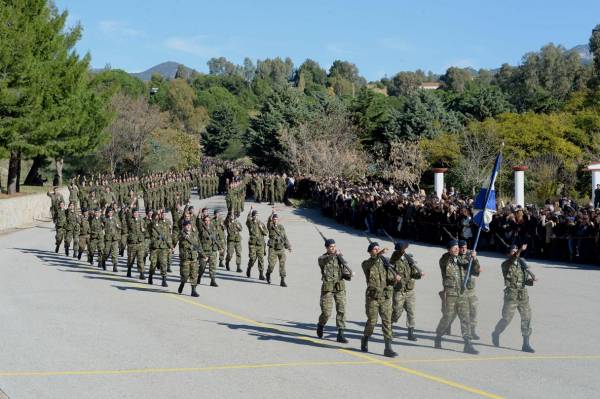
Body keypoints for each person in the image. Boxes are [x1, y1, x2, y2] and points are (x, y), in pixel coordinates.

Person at [434, 240, 478, 354]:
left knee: (465, 318)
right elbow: (445, 259)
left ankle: (468, 344)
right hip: (451, 294)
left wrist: (474, 258)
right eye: (454, 248)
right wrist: (452, 253)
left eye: (457, 248)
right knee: (448, 317)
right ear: (449, 249)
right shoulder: (445, 260)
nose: (457, 249)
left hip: (462, 293)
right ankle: (438, 336)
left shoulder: (463, 260)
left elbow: (476, 270)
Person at [492, 244, 535, 353]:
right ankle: (496, 333)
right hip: (511, 295)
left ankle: (526, 344)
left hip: (522, 295)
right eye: (513, 251)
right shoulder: (506, 264)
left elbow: (523, 280)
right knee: (506, 318)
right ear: (508, 254)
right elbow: (514, 257)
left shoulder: (522, 264)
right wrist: (520, 249)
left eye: (516, 250)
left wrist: (531, 281)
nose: (515, 252)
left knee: (527, 318)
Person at [360, 241, 400, 357]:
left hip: (385, 297)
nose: (377, 250)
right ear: (370, 252)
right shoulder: (367, 263)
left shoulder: (386, 263)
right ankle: (365, 338)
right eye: (375, 249)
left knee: (387, 321)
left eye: (378, 249)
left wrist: (395, 279)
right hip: (373, 297)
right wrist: (380, 254)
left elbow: (390, 279)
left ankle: (388, 348)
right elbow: (372, 261)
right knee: (372, 322)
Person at [316, 239, 349, 343]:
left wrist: (348, 274)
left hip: (339, 287)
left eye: (334, 246)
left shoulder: (340, 258)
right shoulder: (322, 258)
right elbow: (325, 260)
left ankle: (341, 333)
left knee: (341, 310)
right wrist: (335, 255)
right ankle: (321, 324)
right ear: (326, 248)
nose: (333, 248)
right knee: (326, 312)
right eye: (331, 247)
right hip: (328, 288)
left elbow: (344, 271)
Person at [390, 240, 423, 341]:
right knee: (396, 312)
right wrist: (395, 277)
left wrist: (419, 274)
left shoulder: (408, 259)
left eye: (405, 248)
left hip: (409, 290)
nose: (404, 250)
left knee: (411, 311)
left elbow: (413, 273)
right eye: (402, 249)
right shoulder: (394, 259)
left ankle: (410, 332)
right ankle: (389, 326)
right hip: (399, 290)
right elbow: (389, 272)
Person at [447, 240, 481, 339]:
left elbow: (476, 272)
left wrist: (475, 259)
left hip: (469, 289)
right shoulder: (454, 257)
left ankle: (472, 331)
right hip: (458, 289)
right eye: (462, 247)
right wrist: (470, 258)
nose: (464, 249)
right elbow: (460, 263)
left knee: (473, 310)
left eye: (465, 247)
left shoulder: (470, 257)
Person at [266, 212, 292, 286]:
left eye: (276, 219)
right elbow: (268, 221)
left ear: (278, 220)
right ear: (272, 220)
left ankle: (282, 280)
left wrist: (288, 246)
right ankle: (268, 273)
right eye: (274, 219)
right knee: (271, 265)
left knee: (282, 265)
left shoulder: (281, 227)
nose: (275, 220)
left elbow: (285, 237)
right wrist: (271, 213)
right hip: (273, 249)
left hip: (281, 249)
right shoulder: (270, 226)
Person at [178, 220, 202, 297]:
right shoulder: (181, 234)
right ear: (184, 226)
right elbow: (179, 239)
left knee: (194, 274)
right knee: (185, 276)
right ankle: (182, 283)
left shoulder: (194, 234)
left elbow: (198, 245)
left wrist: (203, 255)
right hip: (185, 258)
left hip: (194, 257)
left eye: (189, 225)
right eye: (186, 225)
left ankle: (193, 290)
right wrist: (184, 236)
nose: (188, 226)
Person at [148, 210, 171, 287]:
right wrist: (156, 214)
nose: (161, 216)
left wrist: (170, 246)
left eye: (162, 214)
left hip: (163, 247)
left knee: (163, 263)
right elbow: (152, 224)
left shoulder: (165, 223)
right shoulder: (153, 223)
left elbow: (168, 235)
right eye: (159, 214)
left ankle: (164, 280)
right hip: (154, 247)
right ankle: (150, 276)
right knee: (153, 264)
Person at [198, 214, 222, 287]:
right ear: (203, 221)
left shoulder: (213, 229)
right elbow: (198, 240)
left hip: (212, 250)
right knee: (202, 267)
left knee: (213, 266)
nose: (207, 222)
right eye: (205, 220)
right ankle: (199, 276)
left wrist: (220, 247)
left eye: (208, 220)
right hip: (204, 251)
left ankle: (213, 280)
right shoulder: (201, 229)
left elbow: (217, 238)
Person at [246, 207, 268, 280]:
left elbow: (266, 233)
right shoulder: (250, 222)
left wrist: (261, 228)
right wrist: (250, 210)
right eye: (254, 215)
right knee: (252, 258)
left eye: (257, 215)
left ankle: (261, 274)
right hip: (252, 244)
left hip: (260, 244)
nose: (256, 216)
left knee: (261, 259)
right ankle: (249, 267)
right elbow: (247, 218)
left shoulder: (261, 223)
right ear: (252, 216)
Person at [126, 208, 146, 279]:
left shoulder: (142, 221)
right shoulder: (130, 220)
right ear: (132, 213)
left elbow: (146, 229)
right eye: (134, 213)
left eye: (137, 213)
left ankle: (142, 273)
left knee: (140, 259)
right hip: (132, 243)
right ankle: (129, 270)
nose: (136, 214)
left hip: (140, 243)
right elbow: (127, 215)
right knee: (131, 259)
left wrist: (144, 230)